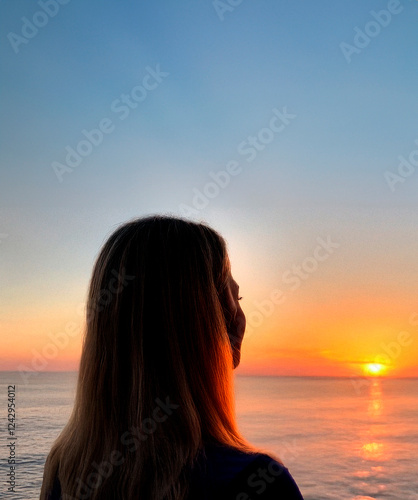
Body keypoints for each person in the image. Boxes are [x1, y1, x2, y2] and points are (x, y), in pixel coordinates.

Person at [40, 215, 304, 500]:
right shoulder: (259, 482)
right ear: (205, 325)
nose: (241, 318)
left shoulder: (64, 473)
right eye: (233, 300)